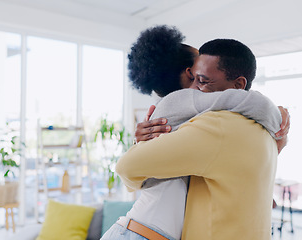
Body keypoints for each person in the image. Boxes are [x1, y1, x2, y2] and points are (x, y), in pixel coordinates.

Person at [115, 37, 286, 239]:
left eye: (203, 80)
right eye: (193, 77)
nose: (196, 89)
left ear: (239, 84)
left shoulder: (217, 126)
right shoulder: (265, 131)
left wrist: (140, 145)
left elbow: (127, 168)